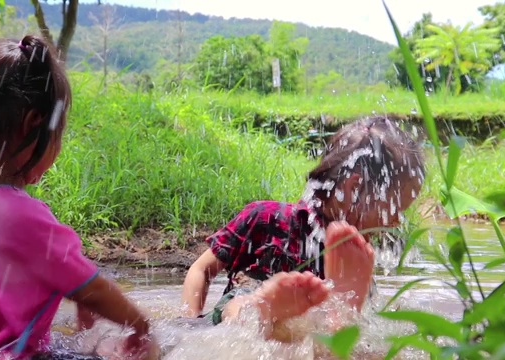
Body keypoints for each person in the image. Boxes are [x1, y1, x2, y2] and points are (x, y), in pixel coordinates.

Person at [0, 28, 155, 359]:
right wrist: (142, 325)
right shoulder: (18, 213)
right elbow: (94, 288)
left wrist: (79, 295)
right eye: (59, 131)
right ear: (33, 123)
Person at [181, 116, 425, 341]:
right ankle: (266, 308)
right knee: (239, 303)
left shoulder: (355, 260)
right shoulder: (264, 217)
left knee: (316, 325)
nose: (395, 222)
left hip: (275, 341)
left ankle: (325, 320)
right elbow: (201, 270)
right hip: (239, 318)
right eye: (395, 209)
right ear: (354, 187)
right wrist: (191, 321)